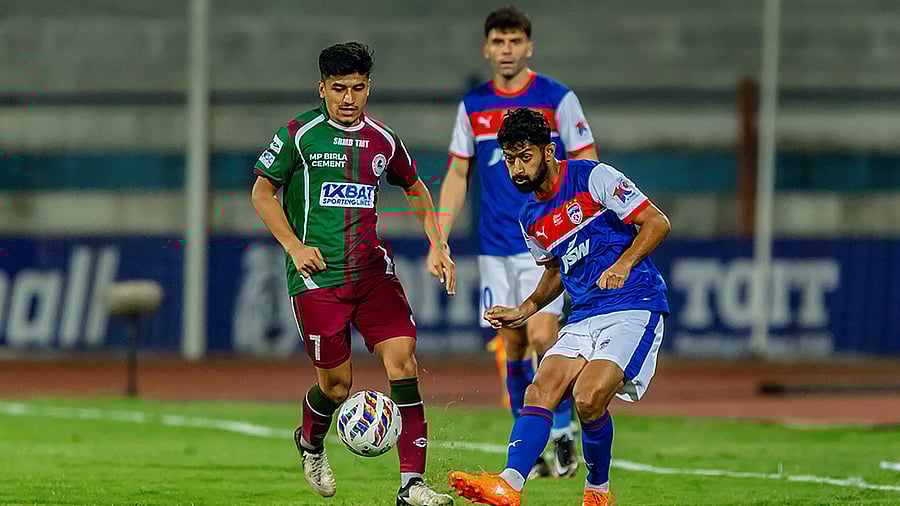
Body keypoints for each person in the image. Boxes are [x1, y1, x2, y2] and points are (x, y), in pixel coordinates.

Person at [251, 41, 455, 506]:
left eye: (357, 88)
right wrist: (294, 246)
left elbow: (417, 188)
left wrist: (437, 242)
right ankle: (310, 442)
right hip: (317, 280)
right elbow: (263, 193)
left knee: (403, 363)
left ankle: (411, 485)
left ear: (369, 88)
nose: (348, 98)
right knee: (337, 386)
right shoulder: (299, 134)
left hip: (371, 276)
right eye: (338, 88)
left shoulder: (384, 140)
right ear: (321, 88)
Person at [448, 108, 671, 506]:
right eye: (510, 159)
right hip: (584, 314)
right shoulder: (529, 215)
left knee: (587, 398)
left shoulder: (592, 176)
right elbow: (555, 270)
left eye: (525, 157)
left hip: (633, 306)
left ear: (548, 151)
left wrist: (623, 263)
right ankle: (509, 485)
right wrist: (526, 308)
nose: (517, 168)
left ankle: (598, 492)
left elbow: (657, 222)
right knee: (540, 390)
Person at [429, 6, 598, 479]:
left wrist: (578, 221)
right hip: (495, 244)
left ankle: (563, 432)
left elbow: (586, 161)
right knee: (513, 341)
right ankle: (531, 443)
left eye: (515, 41)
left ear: (529, 46)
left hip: (549, 238)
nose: (507, 50)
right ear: (486, 49)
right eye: (498, 42)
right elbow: (458, 171)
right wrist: (438, 237)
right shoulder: (473, 107)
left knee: (545, 334)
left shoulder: (558, 99)